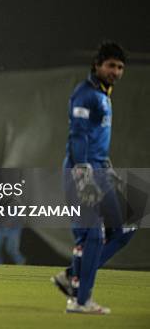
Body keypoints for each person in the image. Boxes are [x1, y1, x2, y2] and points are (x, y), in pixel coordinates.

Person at [53, 41, 135, 314]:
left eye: (120, 67)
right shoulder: (85, 93)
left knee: (123, 229)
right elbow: (78, 135)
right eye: (111, 65)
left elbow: (96, 137)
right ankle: (80, 300)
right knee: (91, 235)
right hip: (82, 171)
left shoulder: (104, 95)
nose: (116, 71)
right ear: (97, 65)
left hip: (100, 171)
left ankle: (70, 275)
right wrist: (83, 171)